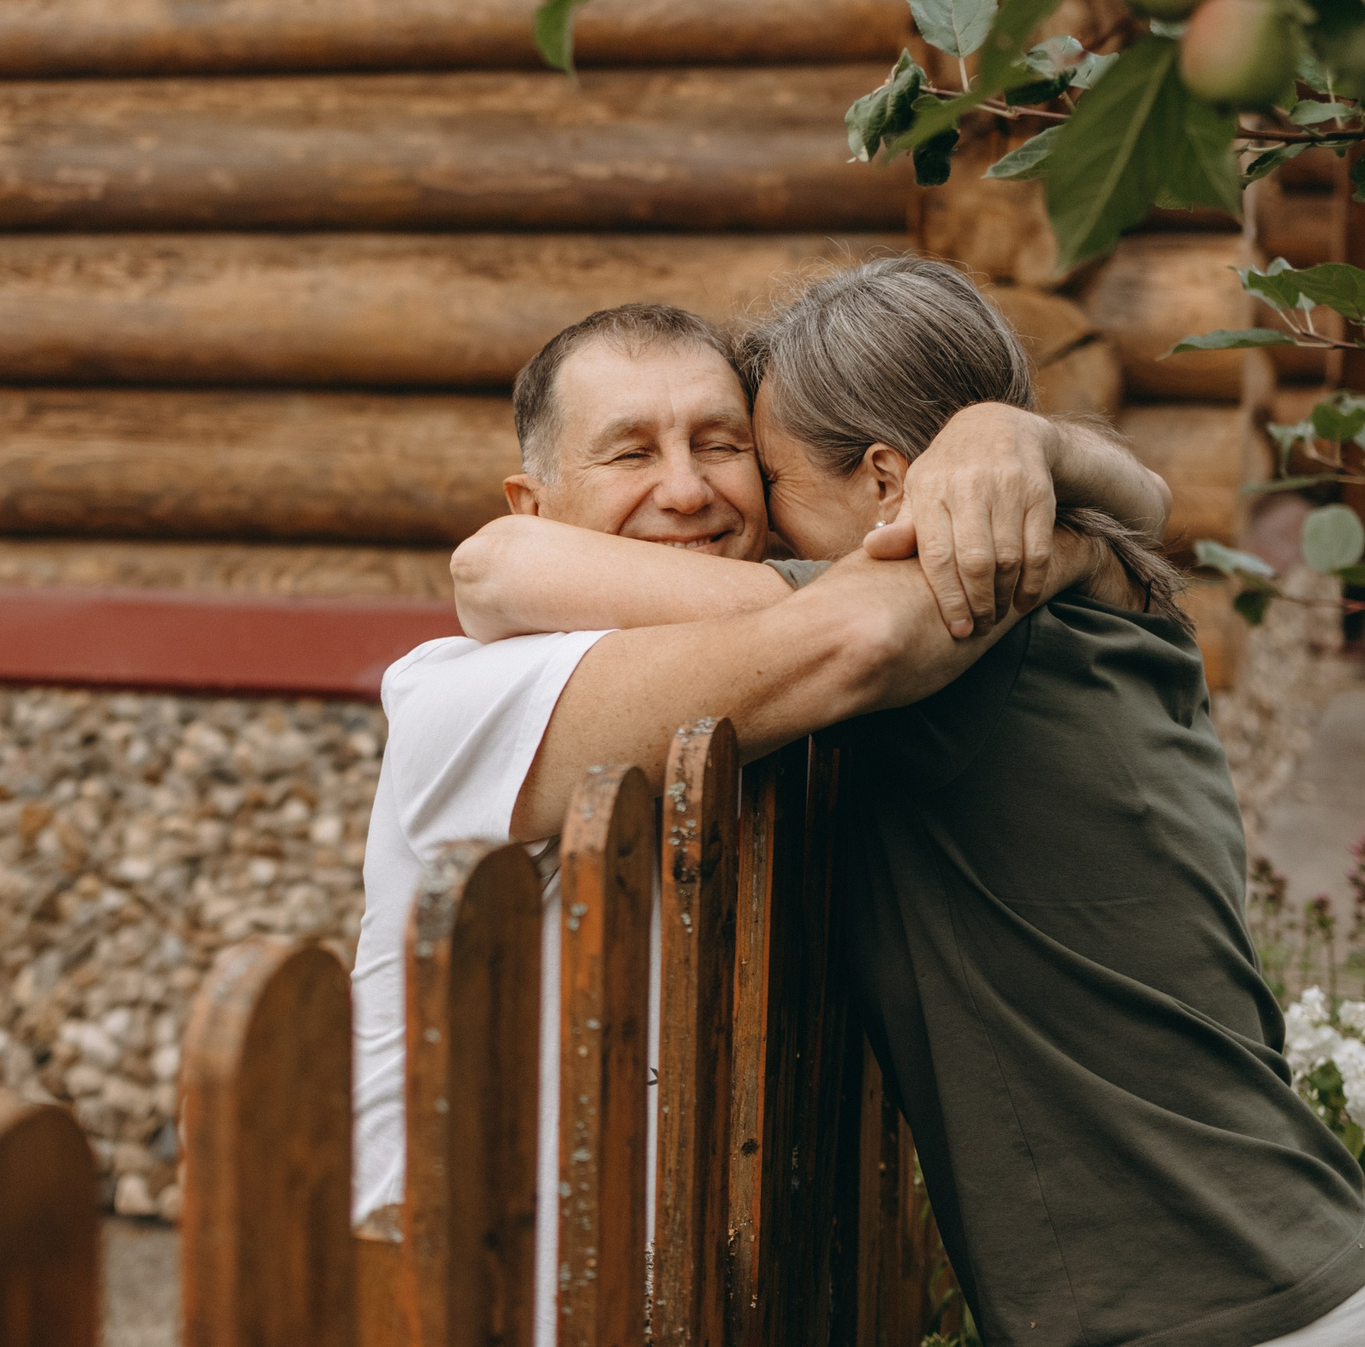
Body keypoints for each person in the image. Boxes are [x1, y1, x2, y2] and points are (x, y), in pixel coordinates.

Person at [454, 256, 1365, 1347]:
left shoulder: (944, 630)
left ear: (888, 483)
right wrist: (1032, 444)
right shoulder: (1101, 597)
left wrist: (1018, 448)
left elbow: (498, 569)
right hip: (1314, 1280)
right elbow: (1144, 498)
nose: (754, 517)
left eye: (767, 476)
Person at [350, 297, 1168, 1343]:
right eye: (629, 452)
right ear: (533, 503)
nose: (686, 489)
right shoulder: (465, 693)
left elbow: (1146, 504)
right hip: (484, 1301)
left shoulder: (800, 695)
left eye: (720, 442)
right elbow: (855, 633)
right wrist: (1060, 556)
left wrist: (1023, 443)